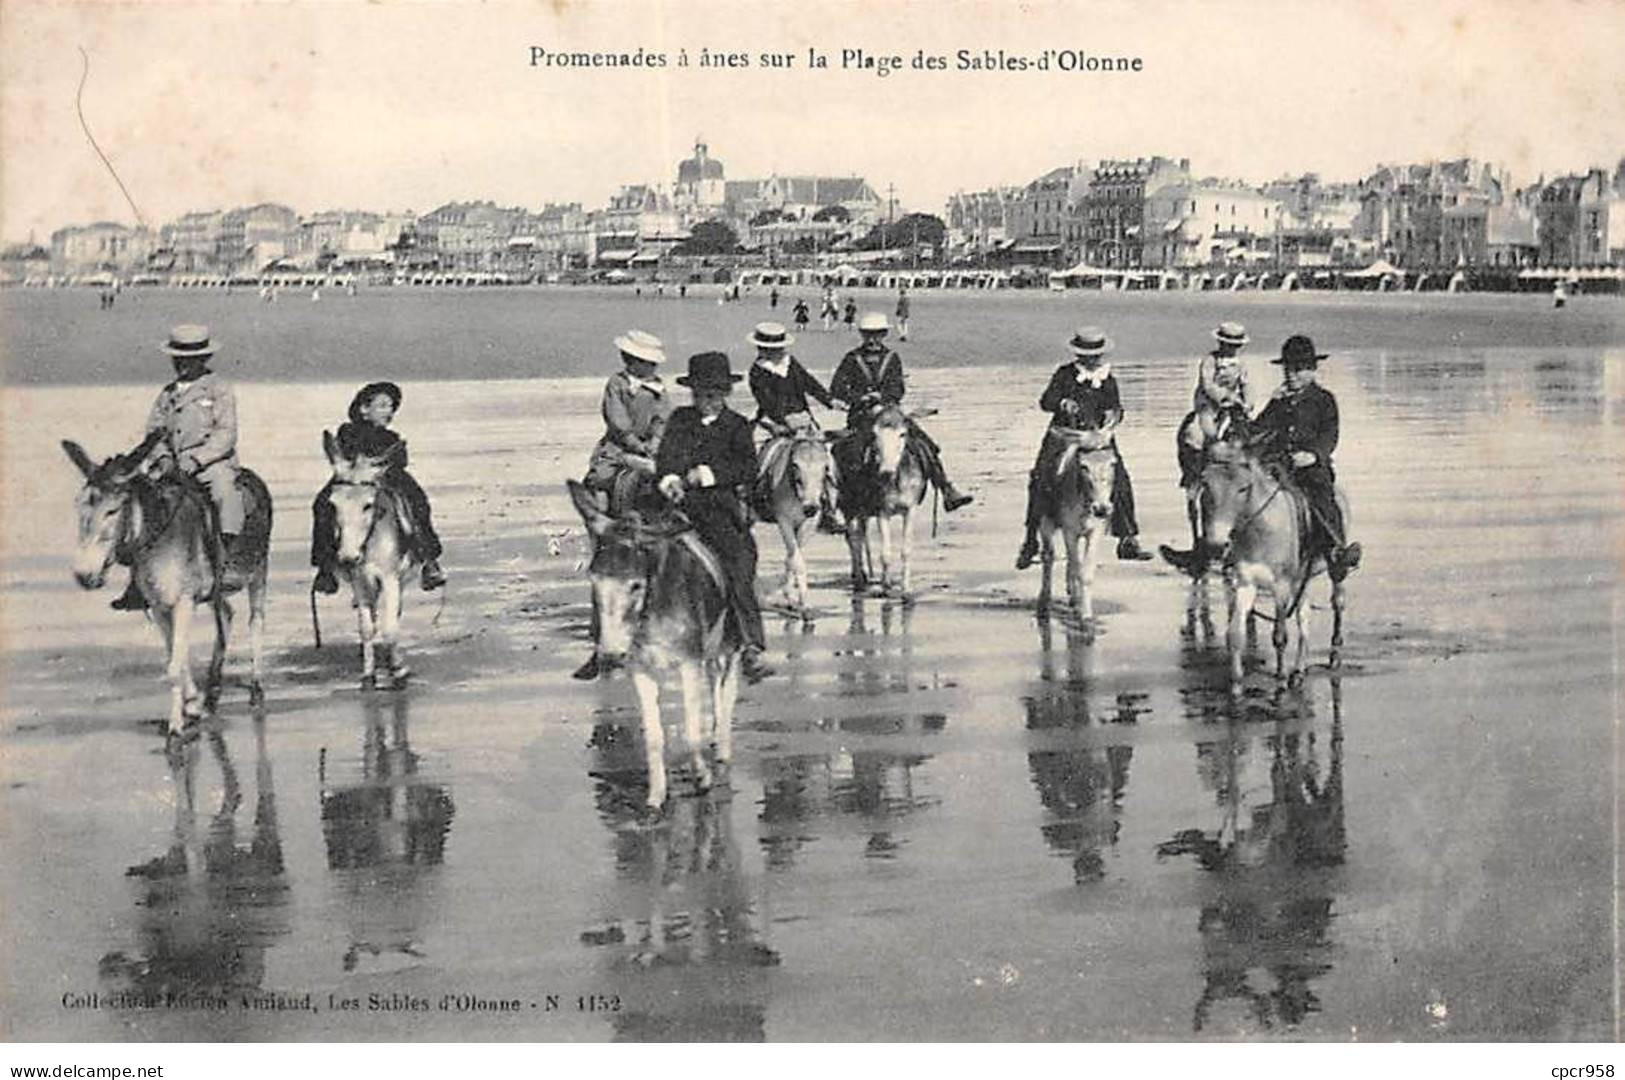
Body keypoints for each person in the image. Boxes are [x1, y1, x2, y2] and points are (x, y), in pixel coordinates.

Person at [656, 351, 775, 684]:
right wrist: (670, 481)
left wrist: (707, 475)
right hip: (678, 507)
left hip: (718, 510)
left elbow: (747, 469)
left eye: (713, 394)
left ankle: (751, 645)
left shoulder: (737, 425)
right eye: (700, 394)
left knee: (738, 567)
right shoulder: (679, 420)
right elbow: (665, 459)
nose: (706, 400)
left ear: (725, 393)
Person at [110, 324, 246, 611]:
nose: (182, 364)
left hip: (211, 463)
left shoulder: (219, 389)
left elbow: (226, 434)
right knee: (142, 503)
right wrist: (163, 458)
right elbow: (155, 432)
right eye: (177, 358)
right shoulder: (167, 393)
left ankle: (228, 561)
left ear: (203, 359)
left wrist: (197, 460)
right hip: (170, 463)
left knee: (225, 493)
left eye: (189, 359)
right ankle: (137, 580)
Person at [1014, 327, 1154, 571]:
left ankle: (1127, 537)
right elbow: (1045, 402)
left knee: (1120, 479)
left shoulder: (1107, 377)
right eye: (1089, 355)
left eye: (1096, 355)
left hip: (1098, 437)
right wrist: (1061, 402)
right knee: (1039, 478)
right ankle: (1030, 540)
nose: (1093, 360)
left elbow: (1116, 407)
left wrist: (1114, 415)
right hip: (1064, 436)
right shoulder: (1065, 374)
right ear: (1079, 355)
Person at [829, 312, 973, 514]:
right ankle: (844, 499)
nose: (872, 339)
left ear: (884, 334)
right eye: (869, 334)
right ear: (862, 335)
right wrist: (860, 398)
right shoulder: (852, 358)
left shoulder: (892, 358)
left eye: (877, 334)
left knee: (926, 445)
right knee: (848, 451)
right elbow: (837, 387)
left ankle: (946, 489)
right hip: (862, 416)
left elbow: (898, 387)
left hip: (890, 413)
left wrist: (884, 398)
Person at [311, 382, 446, 595]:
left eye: (391, 407)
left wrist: (384, 467)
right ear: (364, 409)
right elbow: (342, 455)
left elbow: (400, 461)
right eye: (382, 406)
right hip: (352, 481)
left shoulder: (391, 437)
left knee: (417, 500)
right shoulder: (347, 432)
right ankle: (325, 567)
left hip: (388, 479)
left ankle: (429, 559)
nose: (389, 412)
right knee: (322, 504)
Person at [1251, 335, 1361, 579]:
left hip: (1310, 466)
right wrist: (1272, 404)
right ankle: (1234, 548)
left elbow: (1329, 436)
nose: (1291, 375)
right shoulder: (1280, 401)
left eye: (1298, 369)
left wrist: (1313, 455)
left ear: (1312, 370)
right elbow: (1257, 431)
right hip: (1278, 464)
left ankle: (1336, 549)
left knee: (1322, 495)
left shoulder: (1324, 400)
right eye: (1288, 369)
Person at [746, 321, 842, 532]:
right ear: (762, 349)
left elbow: (809, 383)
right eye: (770, 349)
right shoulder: (757, 371)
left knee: (823, 458)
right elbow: (765, 400)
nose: (776, 352)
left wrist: (829, 400)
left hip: (803, 420)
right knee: (764, 457)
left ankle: (829, 509)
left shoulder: (791, 363)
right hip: (773, 422)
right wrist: (783, 420)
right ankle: (754, 500)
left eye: (778, 348)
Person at [1180, 320, 1254, 482]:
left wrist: (1248, 403)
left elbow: (1246, 385)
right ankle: (1194, 475)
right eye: (1227, 345)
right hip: (1209, 406)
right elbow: (1208, 385)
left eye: (1235, 346)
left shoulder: (1241, 364)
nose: (1231, 349)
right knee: (1197, 435)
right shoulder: (1210, 361)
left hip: (1233, 407)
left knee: (1251, 434)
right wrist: (1225, 396)